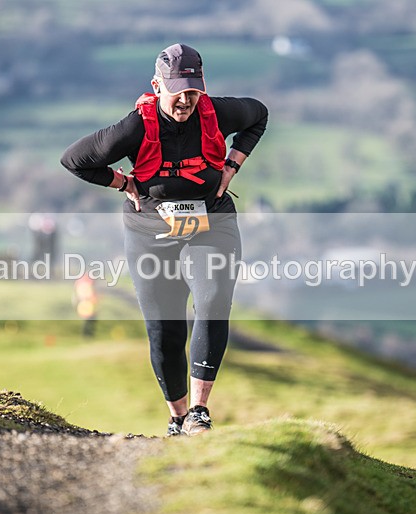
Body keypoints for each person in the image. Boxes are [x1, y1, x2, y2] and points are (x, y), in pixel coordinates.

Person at [61, 43, 267, 436]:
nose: (186, 100)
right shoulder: (135, 127)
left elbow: (258, 114)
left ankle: (199, 413)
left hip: (212, 220)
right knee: (164, 328)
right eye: (177, 92)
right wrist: (121, 181)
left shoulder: (217, 112)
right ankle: (177, 416)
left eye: (193, 91)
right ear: (157, 86)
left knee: (212, 298)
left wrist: (231, 166)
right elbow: (74, 159)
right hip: (150, 232)